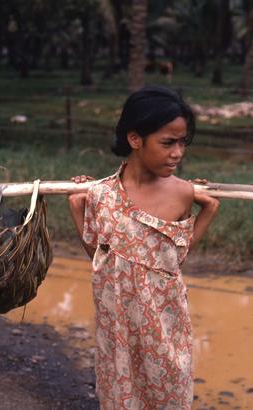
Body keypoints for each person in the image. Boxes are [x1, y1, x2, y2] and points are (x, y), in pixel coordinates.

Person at [68, 85, 219, 410]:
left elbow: (175, 258)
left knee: (169, 389)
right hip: (116, 322)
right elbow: (100, 256)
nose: (177, 153)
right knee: (121, 395)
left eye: (182, 143)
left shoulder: (181, 193)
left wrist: (209, 210)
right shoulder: (103, 195)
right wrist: (78, 208)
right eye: (168, 143)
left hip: (164, 322)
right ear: (135, 139)